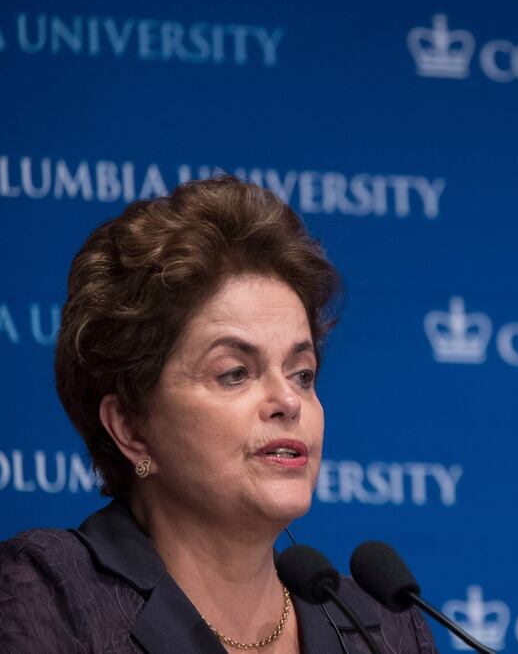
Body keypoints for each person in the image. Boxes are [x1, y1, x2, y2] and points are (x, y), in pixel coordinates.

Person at [0, 177, 438, 653]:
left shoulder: (385, 629)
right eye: (235, 373)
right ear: (131, 428)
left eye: (302, 374)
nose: (288, 401)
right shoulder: (49, 599)